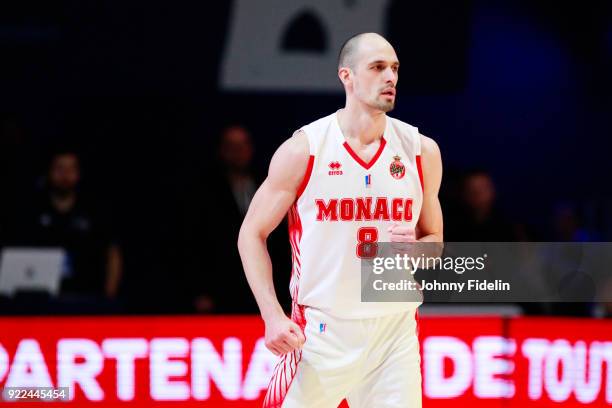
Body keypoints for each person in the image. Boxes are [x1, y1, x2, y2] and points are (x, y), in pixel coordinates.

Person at [238, 32, 443, 407]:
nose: (390, 77)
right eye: (378, 67)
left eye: (394, 68)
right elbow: (251, 232)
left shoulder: (421, 151)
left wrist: (418, 250)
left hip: (393, 333)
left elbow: (434, 243)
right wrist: (271, 314)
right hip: (321, 333)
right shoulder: (305, 149)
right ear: (346, 76)